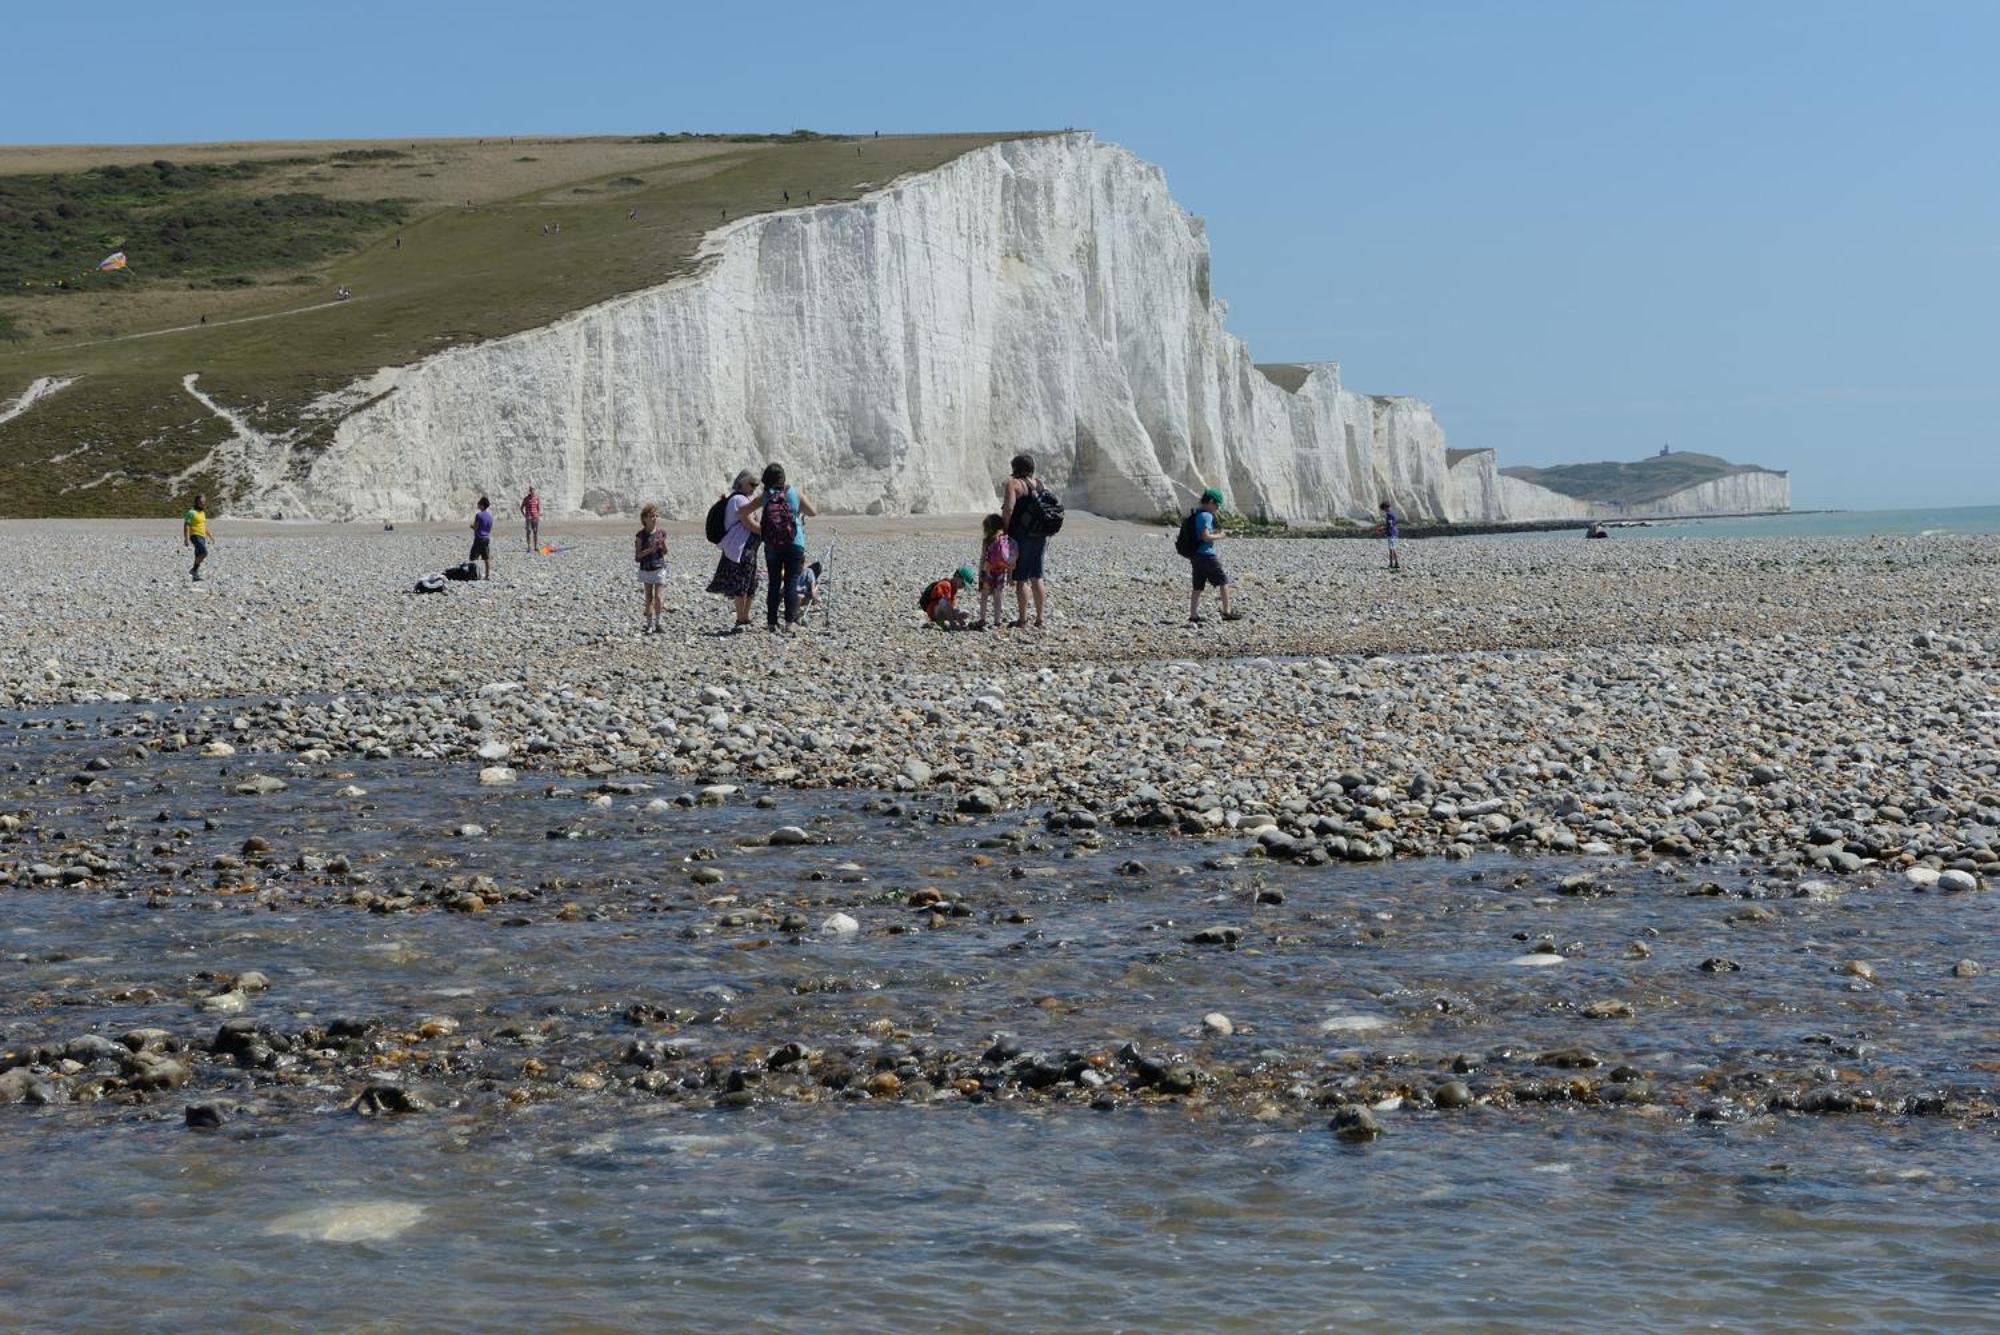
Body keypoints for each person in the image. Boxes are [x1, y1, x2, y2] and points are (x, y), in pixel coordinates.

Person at [745, 463, 816, 633]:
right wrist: (801, 502)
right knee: (791, 581)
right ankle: (789, 623)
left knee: (774, 582)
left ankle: (771, 623)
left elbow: (742, 512)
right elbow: (813, 512)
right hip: (795, 542)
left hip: (772, 543)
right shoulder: (794, 492)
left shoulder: (766, 496)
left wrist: (758, 528)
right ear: (783, 477)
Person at [1000, 453, 1052, 629]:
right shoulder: (1041, 484)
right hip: (1040, 535)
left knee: (1021, 579)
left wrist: (1005, 530)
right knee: (1037, 576)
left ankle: (1022, 620)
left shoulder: (1013, 484)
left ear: (1015, 468)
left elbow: (1008, 509)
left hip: (1020, 536)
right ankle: (1039, 619)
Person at [705, 470, 761, 632]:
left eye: (756, 485)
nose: (754, 488)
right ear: (741, 482)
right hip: (742, 549)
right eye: (751, 484)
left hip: (747, 548)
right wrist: (770, 532)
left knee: (750, 581)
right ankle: (741, 618)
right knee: (743, 582)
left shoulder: (743, 499)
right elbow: (750, 524)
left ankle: (745, 616)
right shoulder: (738, 499)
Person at [1185, 487, 1242, 624]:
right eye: (1216, 505)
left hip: (1195, 555)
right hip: (1206, 555)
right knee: (1223, 581)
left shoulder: (1197, 514)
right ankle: (1227, 612)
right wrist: (1221, 536)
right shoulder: (1206, 516)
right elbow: (1206, 536)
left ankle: (1193, 615)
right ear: (1210, 502)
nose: (1217, 508)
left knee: (1198, 586)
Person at [634, 504, 668, 633]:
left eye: (655, 516)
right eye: (651, 516)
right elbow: (637, 557)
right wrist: (650, 550)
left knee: (658, 596)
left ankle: (658, 623)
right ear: (644, 519)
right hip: (646, 568)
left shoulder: (661, 533)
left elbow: (665, 552)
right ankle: (649, 625)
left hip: (659, 567)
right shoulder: (640, 536)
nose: (654, 518)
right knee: (648, 596)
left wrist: (662, 544)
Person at [977, 513, 1014, 628]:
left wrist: (980, 573)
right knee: (998, 596)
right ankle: (997, 621)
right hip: (1000, 571)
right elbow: (1008, 558)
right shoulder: (1005, 539)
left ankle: (982, 619)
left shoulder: (987, 541)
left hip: (988, 571)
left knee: (984, 595)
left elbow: (983, 558)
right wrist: (1010, 575)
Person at [182, 494, 213, 582]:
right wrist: (186, 538)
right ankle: (194, 570)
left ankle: (195, 577)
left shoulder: (202, 512)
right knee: (204, 553)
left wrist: (209, 534)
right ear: (196, 502)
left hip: (202, 536)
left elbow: (203, 525)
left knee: (198, 555)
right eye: (201, 502)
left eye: (204, 502)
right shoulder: (191, 512)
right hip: (195, 535)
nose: (203, 504)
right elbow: (186, 525)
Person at [470, 496, 495, 579]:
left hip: (479, 538)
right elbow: (489, 528)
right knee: (486, 557)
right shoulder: (490, 516)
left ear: (482, 505)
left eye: (479, 503)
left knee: (473, 557)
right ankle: (487, 575)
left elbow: (476, 526)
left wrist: (472, 526)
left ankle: (473, 574)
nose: (478, 505)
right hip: (486, 538)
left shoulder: (478, 515)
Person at [1378, 500, 1400, 572]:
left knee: (1392, 549)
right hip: (1395, 532)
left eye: (1383, 509)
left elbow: (1390, 525)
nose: (1384, 511)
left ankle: (1394, 563)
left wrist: (1383, 529)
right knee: (1392, 548)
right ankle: (1393, 563)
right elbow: (1392, 524)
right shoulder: (1393, 514)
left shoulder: (1389, 515)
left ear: (1385, 508)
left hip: (1391, 533)